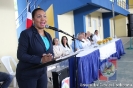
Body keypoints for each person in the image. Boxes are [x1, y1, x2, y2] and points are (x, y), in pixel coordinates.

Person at [16, 8, 54, 88]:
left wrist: (51, 57)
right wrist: (40, 59)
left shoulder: (48, 35)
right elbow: (21, 55)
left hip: (42, 72)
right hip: (27, 74)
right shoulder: (26, 34)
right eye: (39, 16)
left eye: (44, 16)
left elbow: (50, 52)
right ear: (33, 19)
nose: (43, 19)